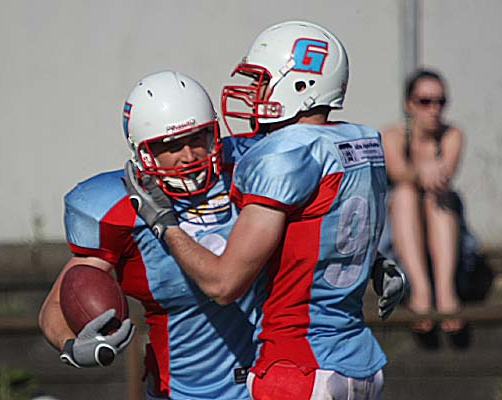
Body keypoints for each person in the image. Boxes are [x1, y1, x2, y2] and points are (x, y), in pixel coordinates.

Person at [125, 21, 405, 400]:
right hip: (361, 362)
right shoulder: (362, 140)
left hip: (297, 365)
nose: (252, 94)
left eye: (261, 81)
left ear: (301, 86)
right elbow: (324, 224)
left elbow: (224, 284)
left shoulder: (285, 152)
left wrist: (164, 224)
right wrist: (373, 260)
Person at [38, 70, 266, 400]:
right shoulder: (118, 208)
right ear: (144, 152)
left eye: (197, 138)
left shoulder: (253, 170)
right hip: (184, 391)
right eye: (171, 145)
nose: (189, 155)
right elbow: (57, 303)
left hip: (274, 380)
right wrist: (71, 345)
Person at [381, 68, 469, 347]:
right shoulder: (392, 135)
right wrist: (422, 171)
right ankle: (420, 290)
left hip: (443, 225)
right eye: (425, 101)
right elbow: (398, 172)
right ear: (409, 104)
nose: (434, 109)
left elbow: (442, 177)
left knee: (436, 196)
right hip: (398, 234)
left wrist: (421, 173)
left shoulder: (452, 135)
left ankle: (444, 292)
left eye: (440, 101)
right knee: (405, 194)